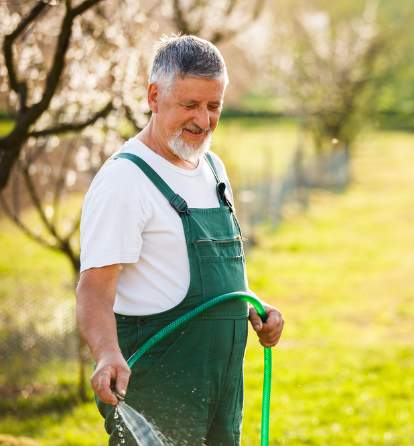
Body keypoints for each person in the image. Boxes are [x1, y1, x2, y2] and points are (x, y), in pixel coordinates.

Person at [76, 35, 284, 446]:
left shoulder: (213, 168)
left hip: (222, 392)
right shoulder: (125, 181)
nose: (203, 121)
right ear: (154, 96)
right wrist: (106, 354)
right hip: (159, 391)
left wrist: (249, 303)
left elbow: (189, 272)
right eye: (190, 105)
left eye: (214, 106)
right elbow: (93, 291)